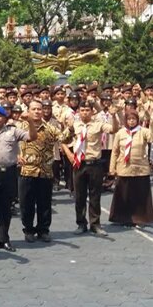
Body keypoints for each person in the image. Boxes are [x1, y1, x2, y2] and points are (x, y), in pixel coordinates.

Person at [0, 105, 36, 252]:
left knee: (6, 206)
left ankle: (4, 238)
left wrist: (30, 122)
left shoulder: (13, 130)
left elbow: (32, 137)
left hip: (9, 172)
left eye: (0, 116)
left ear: (5, 118)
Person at [61, 101, 119, 236]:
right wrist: (68, 153)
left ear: (92, 111)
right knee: (79, 196)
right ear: (79, 112)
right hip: (79, 164)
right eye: (82, 110)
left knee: (95, 195)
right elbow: (61, 139)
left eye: (87, 110)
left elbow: (114, 130)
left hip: (94, 164)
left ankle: (95, 224)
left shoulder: (98, 124)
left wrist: (114, 115)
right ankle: (81, 223)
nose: (85, 112)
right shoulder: (74, 125)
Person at [17, 101, 66, 243]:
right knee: (26, 203)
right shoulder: (20, 127)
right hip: (27, 170)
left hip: (45, 171)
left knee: (44, 203)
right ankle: (28, 229)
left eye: (40, 109)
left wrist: (71, 128)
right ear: (29, 110)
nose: (37, 111)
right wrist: (17, 155)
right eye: (34, 109)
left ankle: (43, 230)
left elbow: (63, 138)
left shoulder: (50, 128)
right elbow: (12, 143)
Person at [108, 112, 153, 226]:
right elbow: (115, 151)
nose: (131, 121)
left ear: (137, 120)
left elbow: (151, 138)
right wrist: (112, 168)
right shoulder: (120, 133)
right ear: (126, 120)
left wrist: (151, 123)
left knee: (140, 194)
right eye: (129, 119)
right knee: (124, 194)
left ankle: (140, 218)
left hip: (140, 168)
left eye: (134, 119)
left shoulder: (143, 131)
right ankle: (123, 217)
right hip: (124, 168)